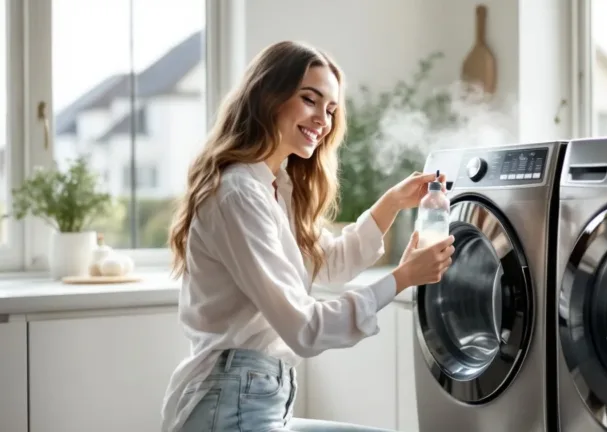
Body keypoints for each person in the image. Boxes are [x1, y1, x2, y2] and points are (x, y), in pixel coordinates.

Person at [161, 40, 455, 432]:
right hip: (227, 403)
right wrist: (403, 278)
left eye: (331, 109)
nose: (323, 118)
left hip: (254, 398)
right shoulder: (238, 196)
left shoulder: (274, 187)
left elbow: (328, 264)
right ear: (269, 95)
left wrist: (390, 205)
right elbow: (305, 328)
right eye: (310, 100)